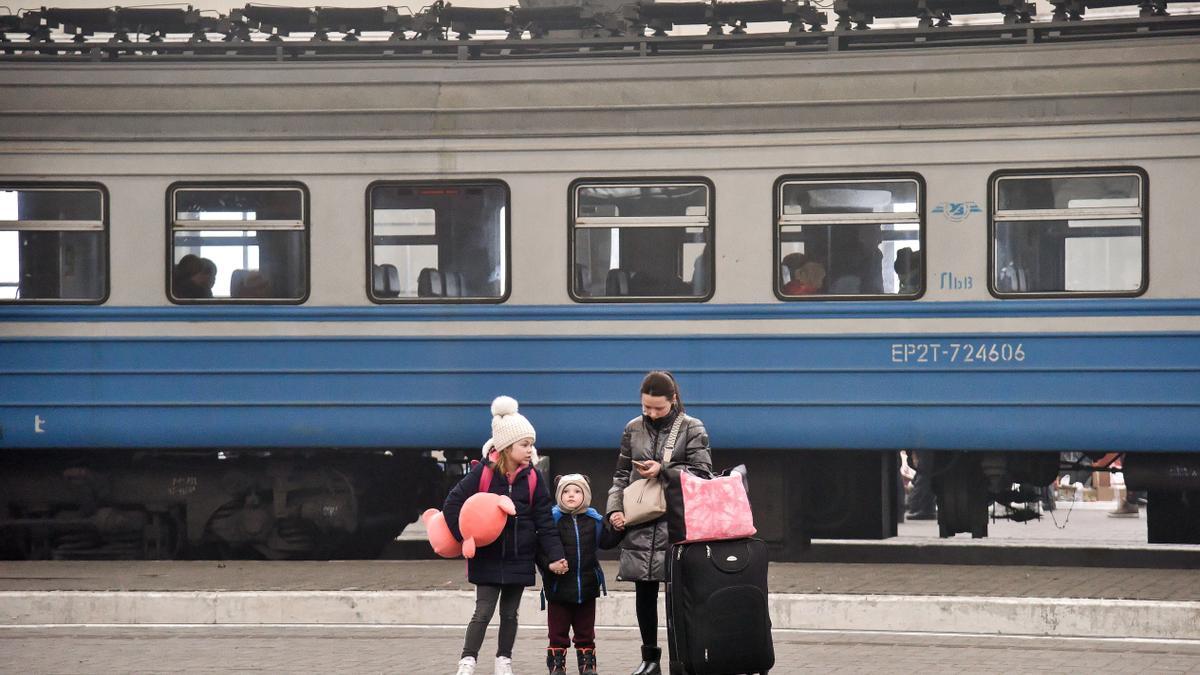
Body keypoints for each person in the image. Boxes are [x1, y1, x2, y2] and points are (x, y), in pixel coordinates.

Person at [444, 396, 568, 675]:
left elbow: (545, 521)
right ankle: (468, 660)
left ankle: (504, 660)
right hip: (487, 556)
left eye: (531, 444)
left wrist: (556, 555)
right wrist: (464, 537)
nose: (530, 450)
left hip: (519, 557)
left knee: (510, 614)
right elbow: (453, 504)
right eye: (524, 445)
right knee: (483, 612)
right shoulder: (483, 474)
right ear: (506, 446)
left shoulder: (534, 478)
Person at [607, 371, 712, 675]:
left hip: (676, 522)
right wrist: (615, 509)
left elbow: (703, 474)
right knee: (644, 593)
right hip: (640, 520)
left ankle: (682, 660)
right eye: (646, 408)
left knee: (680, 598)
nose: (651, 414)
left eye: (658, 408)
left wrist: (664, 469)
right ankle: (650, 660)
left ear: (673, 400)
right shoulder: (633, 429)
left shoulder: (692, 428)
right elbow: (621, 475)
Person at [538, 474, 623, 675]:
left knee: (585, 631)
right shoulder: (551, 521)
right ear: (559, 495)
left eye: (577, 491)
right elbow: (540, 550)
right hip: (558, 587)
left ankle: (588, 664)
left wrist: (619, 529)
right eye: (566, 491)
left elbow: (607, 542)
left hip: (587, 585)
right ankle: (556, 664)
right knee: (557, 631)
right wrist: (549, 565)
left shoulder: (594, 520)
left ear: (585, 495)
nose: (571, 496)